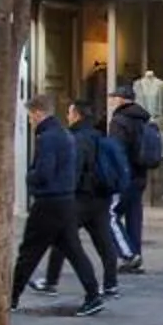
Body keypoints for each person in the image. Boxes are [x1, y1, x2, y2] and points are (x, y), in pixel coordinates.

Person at [10, 94, 103, 315]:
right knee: (73, 250)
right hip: (66, 201)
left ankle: (11, 297)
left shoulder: (48, 138)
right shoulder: (65, 134)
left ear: (38, 113)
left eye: (31, 116)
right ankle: (93, 295)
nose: (31, 121)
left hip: (48, 202)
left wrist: (29, 177)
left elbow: (44, 172)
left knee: (29, 251)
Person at [38, 98, 122, 298]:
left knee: (61, 236)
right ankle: (111, 284)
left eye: (69, 112)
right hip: (101, 196)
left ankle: (51, 282)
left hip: (82, 197)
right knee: (104, 241)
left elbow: (74, 170)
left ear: (76, 115)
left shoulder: (76, 138)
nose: (67, 117)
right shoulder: (99, 135)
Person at [108, 90, 161, 269]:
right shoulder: (144, 119)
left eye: (114, 98)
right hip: (141, 175)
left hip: (125, 177)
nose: (112, 101)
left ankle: (128, 254)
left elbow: (117, 152)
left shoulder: (118, 121)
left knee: (110, 216)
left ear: (121, 100)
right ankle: (135, 254)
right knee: (134, 216)